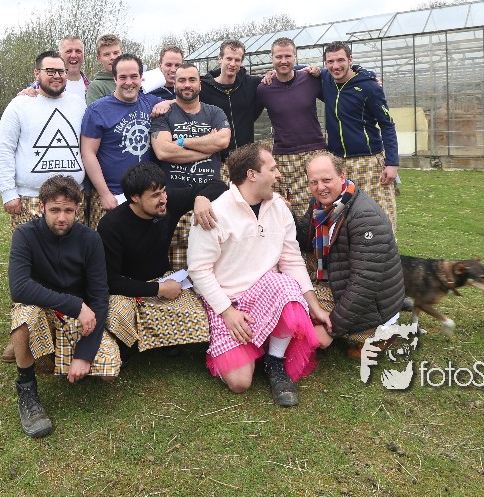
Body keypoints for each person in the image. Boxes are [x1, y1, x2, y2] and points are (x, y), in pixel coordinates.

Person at [187, 143, 332, 407]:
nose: (279, 175)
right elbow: (199, 270)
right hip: (227, 300)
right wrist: (227, 312)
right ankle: (258, 345)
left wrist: (315, 307)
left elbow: (291, 260)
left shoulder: (279, 207)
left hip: (267, 291)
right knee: (240, 383)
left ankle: (274, 361)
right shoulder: (215, 212)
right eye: (273, 169)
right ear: (252, 175)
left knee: (286, 286)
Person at [7, 175, 120, 438]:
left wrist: (84, 354)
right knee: (24, 315)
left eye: (68, 210)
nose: (61, 218)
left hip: (78, 316)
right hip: (41, 308)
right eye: (55, 210)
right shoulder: (24, 235)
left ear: (77, 209)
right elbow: (19, 288)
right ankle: (27, 387)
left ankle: (41, 351)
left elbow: (99, 297)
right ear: (42, 207)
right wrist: (75, 305)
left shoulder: (90, 239)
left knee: (109, 373)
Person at [97, 162, 226, 356]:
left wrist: (201, 198)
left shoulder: (167, 203)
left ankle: (164, 340)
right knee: (116, 314)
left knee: (199, 317)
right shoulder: (110, 225)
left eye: (164, 191)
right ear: (135, 197)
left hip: (162, 279)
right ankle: (126, 345)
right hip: (126, 289)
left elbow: (219, 185)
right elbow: (111, 281)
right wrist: (159, 289)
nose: (163, 199)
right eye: (155, 195)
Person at [298, 152, 405, 360]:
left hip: (373, 305)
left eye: (326, 180)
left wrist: (332, 328)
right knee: (291, 285)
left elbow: (364, 284)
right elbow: (303, 241)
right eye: (314, 182)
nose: (320, 187)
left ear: (342, 176)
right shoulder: (322, 205)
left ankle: (378, 335)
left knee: (298, 308)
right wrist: (281, 212)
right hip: (343, 278)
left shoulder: (364, 216)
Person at [0, 50, 87, 230]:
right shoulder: (19, 105)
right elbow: (5, 149)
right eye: (50, 71)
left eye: (61, 71)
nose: (57, 76)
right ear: (37, 73)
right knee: (32, 248)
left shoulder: (79, 104)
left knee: (75, 248)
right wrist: (8, 193)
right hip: (30, 198)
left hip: (74, 197)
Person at [318, 41, 400, 231]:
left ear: (350, 60)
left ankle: (386, 246)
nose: (335, 66)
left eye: (340, 60)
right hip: (337, 162)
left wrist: (392, 163)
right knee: (343, 215)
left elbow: (387, 124)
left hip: (368, 160)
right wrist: (272, 73)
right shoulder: (326, 80)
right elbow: (296, 70)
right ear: (325, 63)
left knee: (377, 212)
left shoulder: (369, 87)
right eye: (330, 61)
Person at [80, 53, 157, 229]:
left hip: (144, 197)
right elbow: (88, 153)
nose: (129, 82)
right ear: (114, 78)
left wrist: (166, 104)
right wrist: (104, 194)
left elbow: (179, 103)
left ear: (141, 78)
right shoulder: (97, 110)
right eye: (123, 77)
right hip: (111, 197)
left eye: (134, 76)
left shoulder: (150, 102)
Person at [254, 37, 326, 220]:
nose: (283, 61)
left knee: (320, 203)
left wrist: (367, 76)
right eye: (278, 57)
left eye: (288, 56)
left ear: (295, 57)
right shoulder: (264, 88)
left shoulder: (310, 79)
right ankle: (294, 237)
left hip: (315, 150)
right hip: (284, 155)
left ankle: (321, 238)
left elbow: (337, 80)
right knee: (286, 207)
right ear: (272, 58)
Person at [150, 62, 230, 189]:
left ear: (200, 85)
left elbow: (222, 140)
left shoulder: (215, 112)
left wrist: (181, 142)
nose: (187, 85)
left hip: (210, 191)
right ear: (175, 85)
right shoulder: (163, 114)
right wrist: (207, 151)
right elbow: (163, 152)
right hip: (175, 193)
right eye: (182, 80)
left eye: (192, 80)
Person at [199, 40, 264, 171]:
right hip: (216, 160)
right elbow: (182, 96)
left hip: (246, 159)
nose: (233, 64)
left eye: (237, 60)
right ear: (220, 59)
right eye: (229, 59)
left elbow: (280, 77)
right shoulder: (203, 87)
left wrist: (303, 71)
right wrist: (167, 102)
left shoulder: (251, 84)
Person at [85, 34, 123, 104]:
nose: (112, 58)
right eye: (107, 54)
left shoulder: (135, 81)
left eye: (116, 53)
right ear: (99, 59)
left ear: (122, 54)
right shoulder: (96, 87)